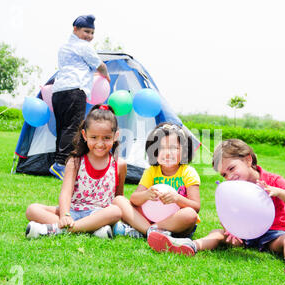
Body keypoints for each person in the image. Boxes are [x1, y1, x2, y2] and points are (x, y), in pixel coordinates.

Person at [147, 139, 285, 276]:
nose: (229, 176)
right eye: (224, 174)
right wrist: (231, 230)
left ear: (247, 160)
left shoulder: (273, 180)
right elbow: (229, 213)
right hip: (242, 235)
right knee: (217, 234)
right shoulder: (232, 189)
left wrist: (279, 192)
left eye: (232, 168)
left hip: (272, 235)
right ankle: (188, 245)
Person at [25, 105, 126, 239]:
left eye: (106, 138)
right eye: (94, 137)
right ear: (85, 135)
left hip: (99, 215)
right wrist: (65, 215)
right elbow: (66, 192)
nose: (100, 143)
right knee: (32, 209)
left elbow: (118, 198)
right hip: (73, 211)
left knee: (116, 211)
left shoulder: (119, 164)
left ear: (115, 136)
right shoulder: (75, 162)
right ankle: (90, 230)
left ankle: (57, 229)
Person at [112, 122, 201, 242]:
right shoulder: (151, 171)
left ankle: (152, 230)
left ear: (184, 152)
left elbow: (196, 207)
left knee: (190, 214)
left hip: (176, 222)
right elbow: (134, 199)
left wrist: (177, 199)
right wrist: (146, 194)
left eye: (174, 148)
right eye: (161, 148)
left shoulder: (188, 172)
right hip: (150, 218)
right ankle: (150, 231)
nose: (168, 153)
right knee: (119, 200)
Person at [50, 14, 111, 180]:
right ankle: (61, 164)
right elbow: (100, 65)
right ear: (75, 29)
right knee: (73, 127)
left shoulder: (64, 47)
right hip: (75, 90)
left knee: (62, 127)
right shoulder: (84, 46)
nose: (89, 36)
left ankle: (58, 163)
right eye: (86, 31)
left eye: (92, 33)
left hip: (59, 91)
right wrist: (106, 77)